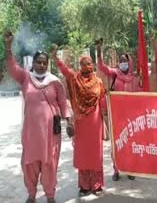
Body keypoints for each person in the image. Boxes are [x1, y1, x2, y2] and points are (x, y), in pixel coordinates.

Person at [4, 32, 71, 203]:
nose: (41, 65)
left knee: (50, 164)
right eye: (38, 62)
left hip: (51, 134)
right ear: (33, 63)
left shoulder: (55, 81)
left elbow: (63, 103)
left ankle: (50, 195)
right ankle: (31, 194)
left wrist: (69, 122)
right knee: (30, 164)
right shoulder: (26, 78)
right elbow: (12, 67)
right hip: (31, 133)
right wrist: (8, 46)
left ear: (47, 65)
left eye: (44, 63)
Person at [51, 45, 107, 196]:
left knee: (96, 153)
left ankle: (96, 184)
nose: (86, 66)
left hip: (95, 122)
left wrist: (106, 119)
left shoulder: (99, 82)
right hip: (81, 122)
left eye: (89, 63)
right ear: (80, 66)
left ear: (92, 65)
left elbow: (102, 100)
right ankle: (84, 185)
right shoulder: (75, 79)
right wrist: (56, 58)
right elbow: (65, 71)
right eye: (83, 64)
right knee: (83, 153)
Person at [96, 39, 140, 181]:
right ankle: (116, 169)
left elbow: (141, 97)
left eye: (124, 60)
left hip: (131, 117)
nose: (123, 63)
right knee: (116, 144)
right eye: (121, 60)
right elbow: (102, 67)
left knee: (130, 143)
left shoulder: (134, 79)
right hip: (117, 116)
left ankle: (131, 169)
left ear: (129, 62)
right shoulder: (115, 73)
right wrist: (98, 50)